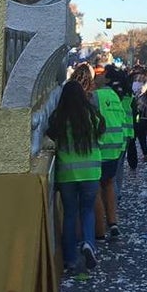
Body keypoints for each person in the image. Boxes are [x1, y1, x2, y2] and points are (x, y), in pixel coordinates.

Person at [47, 80, 105, 272]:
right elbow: (100, 137)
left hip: (67, 174)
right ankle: (89, 243)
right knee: (87, 210)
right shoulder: (93, 115)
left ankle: (70, 258)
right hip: (91, 172)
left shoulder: (59, 117)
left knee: (70, 214)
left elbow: (51, 136)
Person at [93, 69, 127, 238]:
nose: (96, 77)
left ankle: (99, 230)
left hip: (100, 146)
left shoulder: (95, 96)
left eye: (100, 74)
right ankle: (113, 222)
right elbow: (122, 118)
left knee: (97, 187)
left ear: (105, 79)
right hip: (115, 145)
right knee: (109, 183)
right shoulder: (114, 96)